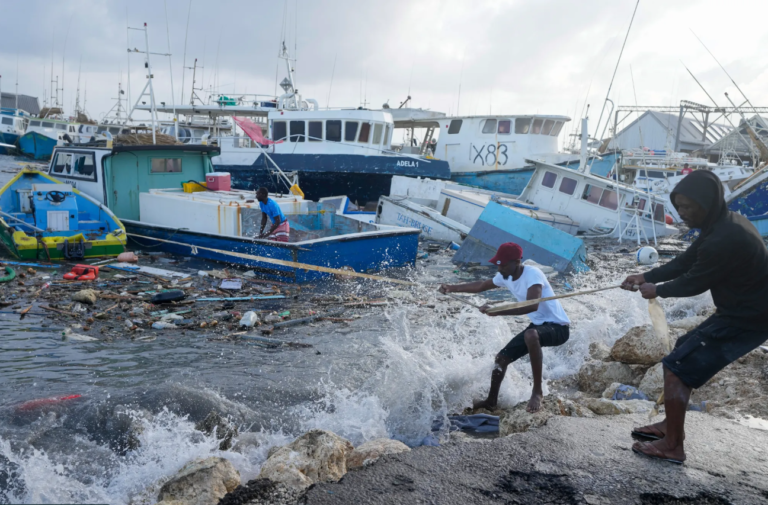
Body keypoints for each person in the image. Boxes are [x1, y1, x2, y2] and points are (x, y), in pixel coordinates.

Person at [622, 170, 768, 464]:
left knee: (676, 367)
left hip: (750, 317)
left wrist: (656, 289)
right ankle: (669, 426)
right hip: (742, 310)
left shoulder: (724, 237)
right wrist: (646, 275)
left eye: (689, 207)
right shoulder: (723, 224)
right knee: (683, 349)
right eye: (679, 207)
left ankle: (673, 445)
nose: (683, 213)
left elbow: (694, 282)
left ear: (707, 202)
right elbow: (686, 261)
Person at [439, 242, 571, 413]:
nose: (499, 269)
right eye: (498, 264)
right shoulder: (505, 276)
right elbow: (481, 286)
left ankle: (537, 392)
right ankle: (491, 401)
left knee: (531, 335)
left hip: (558, 328)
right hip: (539, 326)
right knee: (501, 359)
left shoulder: (533, 274)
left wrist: (498, 311)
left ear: (517, 262)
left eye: (503, 264)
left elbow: (532, 306)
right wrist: (452, 288)